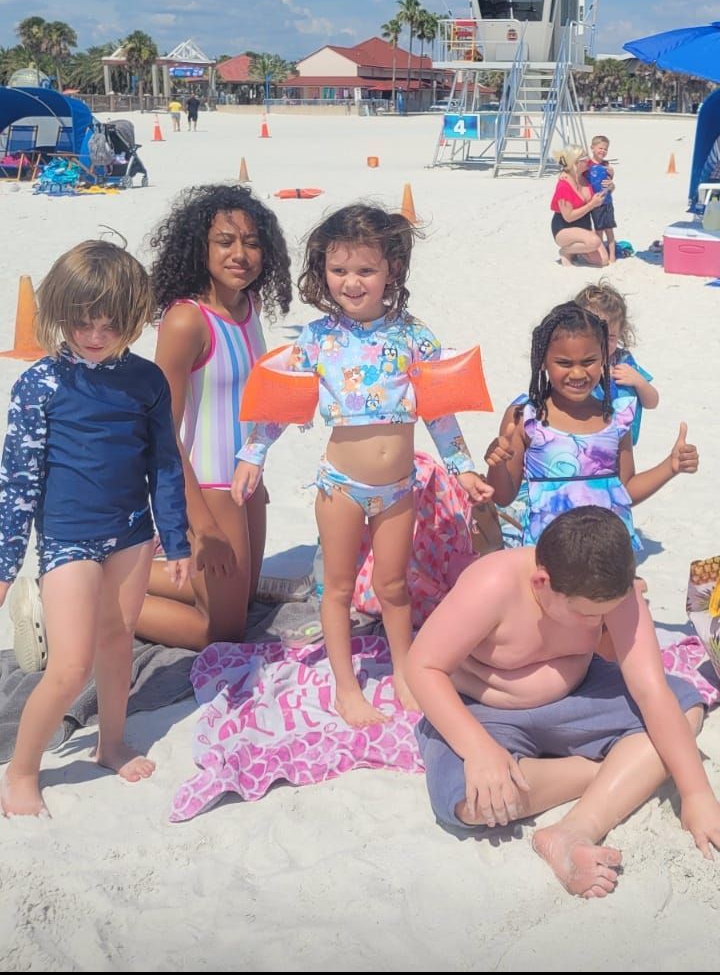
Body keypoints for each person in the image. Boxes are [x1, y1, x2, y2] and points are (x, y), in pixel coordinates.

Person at [231, 203, 492, 727]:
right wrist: (252, 455)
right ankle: (346, 688)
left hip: (399, 487)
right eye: (339, 270)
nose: (351, 282)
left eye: (366, 270)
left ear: (392, 269)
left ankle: (404, 672)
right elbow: (282, 407)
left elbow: (439, 411)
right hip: (340, 487)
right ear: (323, 271)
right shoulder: (317, 339)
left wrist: (461, 466)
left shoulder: (414, 337)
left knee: (394, 587)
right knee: (338, 588)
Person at [406, 507, 720, 899]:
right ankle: (615, 771)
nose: (596, 624)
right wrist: (480, 750)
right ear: (542, 583)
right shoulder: (493, 583)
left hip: (579, 694)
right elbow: (422, 666)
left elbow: (651, 690)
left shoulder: (613, 590)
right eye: (587, 614)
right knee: (473, 803)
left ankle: (573, 830)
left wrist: (696, 794)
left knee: (685, 707)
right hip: (483, 709)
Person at [0, 241, 191, 817]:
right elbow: (18, 481)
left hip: (131, 532)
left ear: (131, 319)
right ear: (61, 312)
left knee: (119, 640)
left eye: (110, 324)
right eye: (83, 322)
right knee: (69, 666)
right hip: (67, 540)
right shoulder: (40, 384)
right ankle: (21, 771)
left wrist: (176, 539)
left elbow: (164, 464)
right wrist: (6, 564)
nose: (94, 335)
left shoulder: (146, 381)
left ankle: (110, 743)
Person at [134, 185, 292, 650]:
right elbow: (163, 432)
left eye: (252, 242)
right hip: (209, 485)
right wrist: (200, 524)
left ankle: (117, 572)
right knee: (222, 632)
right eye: (225, 242)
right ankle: (88, 597)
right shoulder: (186, 322)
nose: (240, 254)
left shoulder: (249, 306)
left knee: (242, 598)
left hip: (247, 480)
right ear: (199, 248)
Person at [484, 301, 698, 550]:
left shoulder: (615, 419)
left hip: (607, 554)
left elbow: (625, 490)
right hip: (549, 552)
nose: (578, 373)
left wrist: (670, 466)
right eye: (564, 363)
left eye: (588, 362)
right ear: (542, 361)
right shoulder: (526, 418)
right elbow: (503, 496)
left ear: (604, 358)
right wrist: (496, 465)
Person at [575, 281, 659, 444]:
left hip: (623, 447)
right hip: (587, 445)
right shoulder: (576, 365)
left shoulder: (623, 361)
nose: (603, 342)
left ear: (620, 333)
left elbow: (652, 403)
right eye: (595, 334)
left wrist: (639, 382)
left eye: (611, 337)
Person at [550, 144, 609, 267]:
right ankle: (565, 251)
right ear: (576, 163)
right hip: (564, 228)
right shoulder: (564, 185)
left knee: (603, 260)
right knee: (594, 242)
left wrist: (610, 181)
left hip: (584, 226)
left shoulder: (585, 174)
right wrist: (591, 205)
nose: (588, 160)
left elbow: (603, 165)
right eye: (584, 158)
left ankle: (577, 250)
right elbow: (568, 217)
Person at [582, 135, 617, 263]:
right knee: (599, 230)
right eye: (600, 148)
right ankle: (602, 254)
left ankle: (612, 255)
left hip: (607, 201)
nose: (603, 151)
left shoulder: (606, 165)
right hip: (594, 203)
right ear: (592, 148)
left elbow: (609, 182)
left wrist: (612, 178)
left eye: (605, 149)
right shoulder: (587, 165)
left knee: (609, 230)